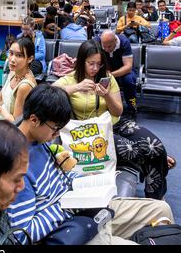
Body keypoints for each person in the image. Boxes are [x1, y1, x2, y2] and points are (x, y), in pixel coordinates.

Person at [8, 84, 174, 245]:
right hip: (71, 228)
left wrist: (85, 180)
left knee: (161, 209)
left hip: (86, 208)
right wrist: (67, 206)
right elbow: (24, 234)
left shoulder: (38, 141)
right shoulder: (15, 165)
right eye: (55, 129)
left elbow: (60, 176)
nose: (56, 134)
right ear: (34, 120)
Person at [53, 40, 173, 200]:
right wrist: (76, 87)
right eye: (91, 64)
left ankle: (155, 199)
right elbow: (47, 92)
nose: (95, 68)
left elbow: (118, 111)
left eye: (99, 64)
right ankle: (159, 164)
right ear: (81, 61)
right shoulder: (70, 80)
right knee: (140, 151)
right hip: (93, 132)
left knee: (155, 146)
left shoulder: (107, 77)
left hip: (115, 124)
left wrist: (106, 95)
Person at [96, 30, 137, 117]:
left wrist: (110, 75)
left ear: (115, 40)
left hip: (123, 69)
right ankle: (101, 107)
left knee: (129, 81)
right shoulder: (97, 41)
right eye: (104, 46)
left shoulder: (124, 42)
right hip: (106, 69)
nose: (106, 49)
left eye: (109, 46)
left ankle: (132, 106)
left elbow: (128, 67)